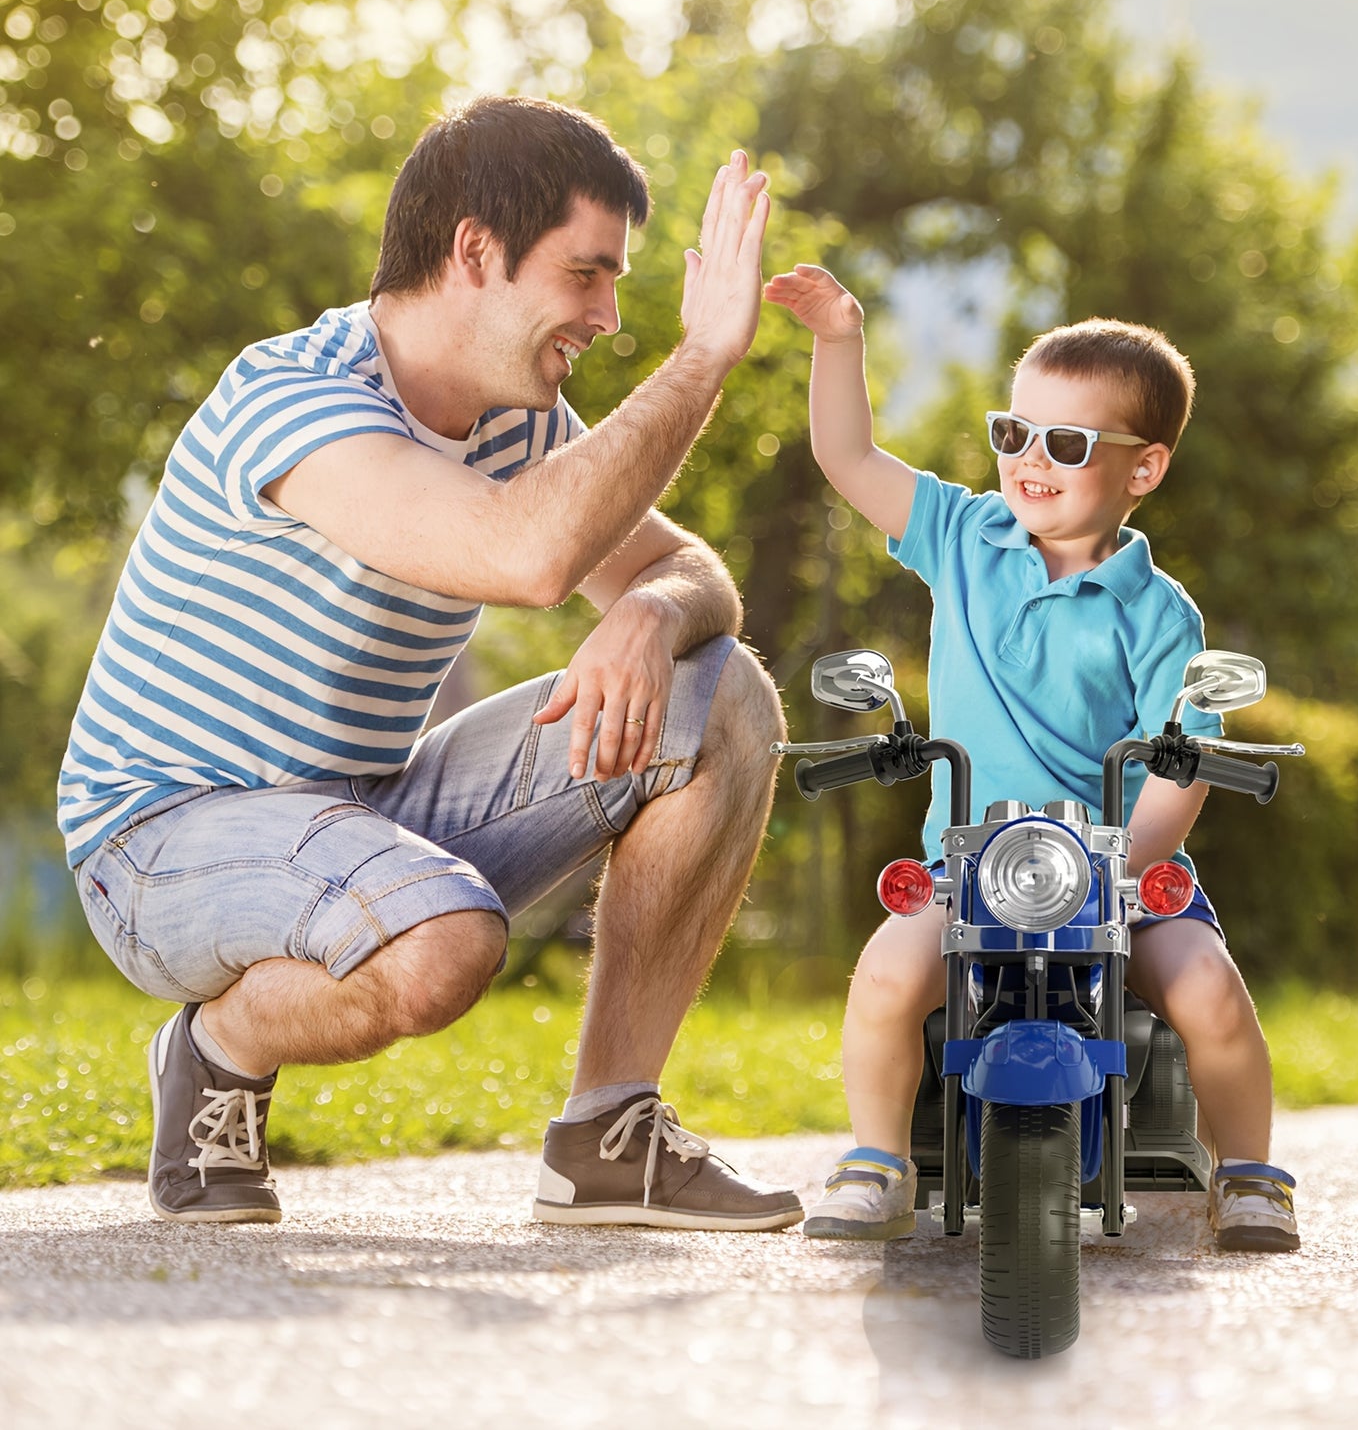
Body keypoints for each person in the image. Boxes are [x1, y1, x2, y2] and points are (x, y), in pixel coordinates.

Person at [58, 95, 803, 1232]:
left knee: (725, 697)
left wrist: (651, 612)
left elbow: (687, 566)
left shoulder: (519, 422)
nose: (608, 315)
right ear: (474, 248)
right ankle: (216, 1048)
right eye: (587, 273)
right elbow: (527, 553)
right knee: (443, 941)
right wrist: (706, 355)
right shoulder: (292, 400)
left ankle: (606, 1136)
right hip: (158, 835)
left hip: (355, 808)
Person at [763, 263, 1299, 1252]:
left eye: (1065, 441)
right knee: (886, 973)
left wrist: (1129, 866)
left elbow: (1179, 759)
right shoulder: (962, 534)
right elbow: (845, 455)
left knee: (1207, 987)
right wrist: (838, 338)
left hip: (1116, 870)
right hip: (969, 863)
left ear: (1141, 468)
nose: (1028, 459)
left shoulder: (1155, 610)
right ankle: (877, 1157)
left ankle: (1253, 1172)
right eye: (1012, 432)